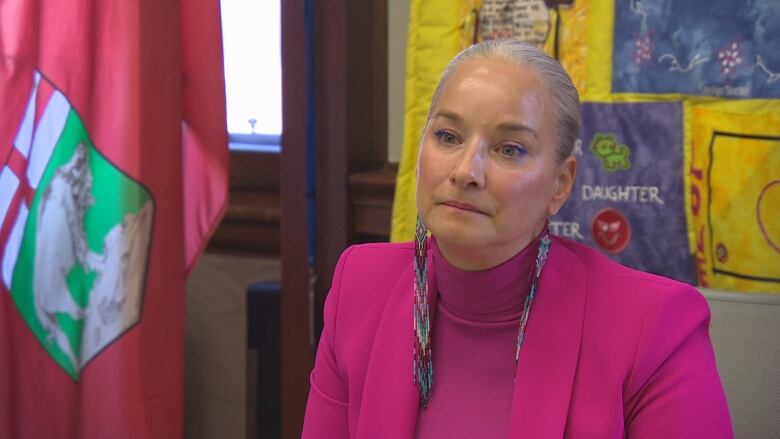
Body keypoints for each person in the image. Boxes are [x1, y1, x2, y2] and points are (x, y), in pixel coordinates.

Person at [302, 39, 733, 438]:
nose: (466, 171)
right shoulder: (359, 285)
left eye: (510, 149)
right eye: (447, 136)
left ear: (560, 184)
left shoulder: (655, 327)